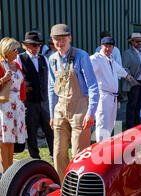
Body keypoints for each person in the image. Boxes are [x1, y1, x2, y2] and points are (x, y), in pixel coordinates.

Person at [48, 24, 100, 182]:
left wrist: (90, 112)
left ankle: (79, 186)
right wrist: (51, 114)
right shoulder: (52, 59)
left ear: (70, 38)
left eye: (63, 39)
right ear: (52, 40)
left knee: (79, 152)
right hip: (60, 109)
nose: (60, 43)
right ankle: (62, 186)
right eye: (57, 40)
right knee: (58, 152)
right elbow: (51, 88)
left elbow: (93, 86)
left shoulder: (81, 56)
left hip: (80, 109)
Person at [0, 37, 27, 173]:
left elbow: (20, 86)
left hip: (17, 106)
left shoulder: (16, 65)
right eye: (15, 49)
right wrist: (3, 79)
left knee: (12, 140)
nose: (17, 52)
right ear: (7, 50)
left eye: (18, 49)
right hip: (4, 106)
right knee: (5, 140)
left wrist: (22, 102)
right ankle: (6, 172)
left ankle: (10, 171)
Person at [17, 31, 54, 160]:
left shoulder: (44, 58)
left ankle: (53, 154)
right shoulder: (20, 59)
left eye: (38, 45)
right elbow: (17, 80)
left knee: (50, 129)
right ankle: (35, 158)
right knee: (31, 131)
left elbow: (50, 79)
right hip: (29, 101)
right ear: (26, 45)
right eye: (34, 45)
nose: (37, 48)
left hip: (44, 100)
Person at [90, 37, 134, 142]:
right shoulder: (96, 59)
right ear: (101, 46)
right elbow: (86, 69)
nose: (108, 49)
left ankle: (106, 145)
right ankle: (100, 147)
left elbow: (119, 69)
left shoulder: (111, 59)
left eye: (110, 46)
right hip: (103, 96)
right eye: (106, 46)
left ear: (113, 47)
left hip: (114, 96)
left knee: (111, 123)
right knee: (102, 123)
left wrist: (127, 76)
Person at [122, 32, 141, 129]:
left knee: (138, 106)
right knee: (132, 106)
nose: (139, 43)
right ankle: (130, 127)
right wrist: (133, 81)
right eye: (137, 41)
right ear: (131, 42)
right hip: (135, 83)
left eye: (140, 41)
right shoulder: (128, 53)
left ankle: (137, 126)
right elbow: (125, 68)